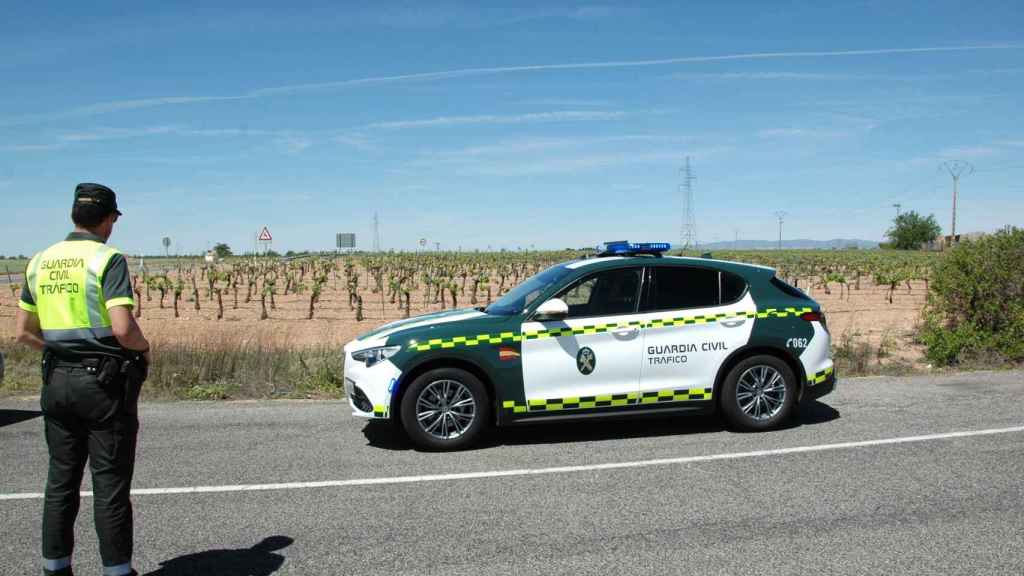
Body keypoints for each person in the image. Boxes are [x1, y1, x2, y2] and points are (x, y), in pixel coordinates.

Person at [14, 183, 151, 576]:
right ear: (110, 219)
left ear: (74, 216)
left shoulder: (40, 261)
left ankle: (56, 568)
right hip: (103, 385)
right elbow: (123, 329)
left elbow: (22, 331)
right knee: (108, 485)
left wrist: (61, 353)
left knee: (60, 480)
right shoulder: (107, 260)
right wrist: (143, 350)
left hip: (56, 380)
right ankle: (117, 571)